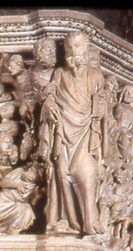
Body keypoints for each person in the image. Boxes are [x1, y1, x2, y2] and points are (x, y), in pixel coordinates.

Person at [38, 31, 106, 236]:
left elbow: (102, 100)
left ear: (85, 49)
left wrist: (100, 106)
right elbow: (49, 92)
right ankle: (67, 221)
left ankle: (90, 222)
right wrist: (49, 102)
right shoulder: (59, 73)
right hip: (63, 130)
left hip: (85, 132)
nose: (72, 51)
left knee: (87, 174)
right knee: (64, 175)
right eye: (68, 48)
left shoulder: (95, 76)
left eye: (76, 47)